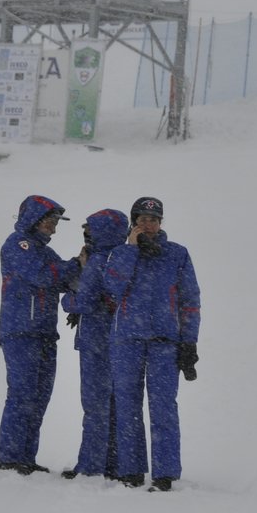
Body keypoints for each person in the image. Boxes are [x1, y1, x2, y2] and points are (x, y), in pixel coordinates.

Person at [103, 197, 200, 491]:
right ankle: (131, 470)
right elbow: (113, 288)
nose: (149, 224)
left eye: (154, 219)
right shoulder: (121, 253)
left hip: (164, 343)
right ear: (134, 222)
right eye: (142, 219)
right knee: (127, 406)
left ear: (161, 222)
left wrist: (189, 342)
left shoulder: (177, 254)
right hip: (127, 341)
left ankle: (165, 473)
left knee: (163, 407)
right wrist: (131, 250)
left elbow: (190, 301)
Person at [0, 195, 85, 475]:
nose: (54, 227)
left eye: (56, 222)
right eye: (50, 220)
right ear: (34, 218)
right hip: (21, 331)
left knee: (38, 397)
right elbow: (45, 276)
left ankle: (25, 457)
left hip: (44, 332)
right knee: (22, 394)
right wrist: (78, 263)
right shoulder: (18, 245)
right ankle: (10, 458)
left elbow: (64, 279)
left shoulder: (44, 252)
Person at [60, 209, 135, 480]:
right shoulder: (124, 259)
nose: (86, 235)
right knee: (115, 405)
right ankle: (113, 463)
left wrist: (68, 299)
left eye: (89, 230)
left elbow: (84, 301)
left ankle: (91, 465)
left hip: (95, 341)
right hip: (119, 340)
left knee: (95, 406)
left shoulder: (98, 261)